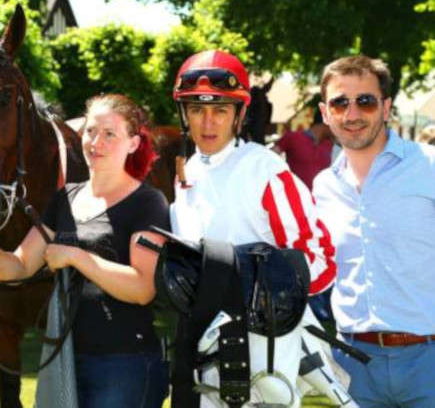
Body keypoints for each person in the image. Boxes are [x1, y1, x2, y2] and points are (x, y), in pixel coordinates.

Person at [0, 94, 170, 407]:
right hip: (67, 358)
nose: (95, 142)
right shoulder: (65, 199)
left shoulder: (148, 202)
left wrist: (75, 256)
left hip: (124, 364)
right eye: (90, 131)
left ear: (133, 143)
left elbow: (142, 288)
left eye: (109, 134)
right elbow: (22, 264)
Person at [168, 50, 337, 406]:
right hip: (200, 348)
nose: (208, 123)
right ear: (184, 114)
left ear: (239, 115)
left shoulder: (265, 170)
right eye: (196, 109)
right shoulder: (189, 170)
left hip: (264, 355)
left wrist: (256, 290)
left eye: (220, 110)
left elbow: (320, 261)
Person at [313, 55, 435, 407]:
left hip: (428, 359)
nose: (352, 114)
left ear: (386, 107)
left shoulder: (428, 166)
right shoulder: (322, 186)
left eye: (365, 101)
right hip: (353, 363)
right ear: (325, 113)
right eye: (340, 103)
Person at [273, 105, 334, 189]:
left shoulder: (330, 145)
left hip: (321, 196)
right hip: (294, 194)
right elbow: (267, 158)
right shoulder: (293, 137)